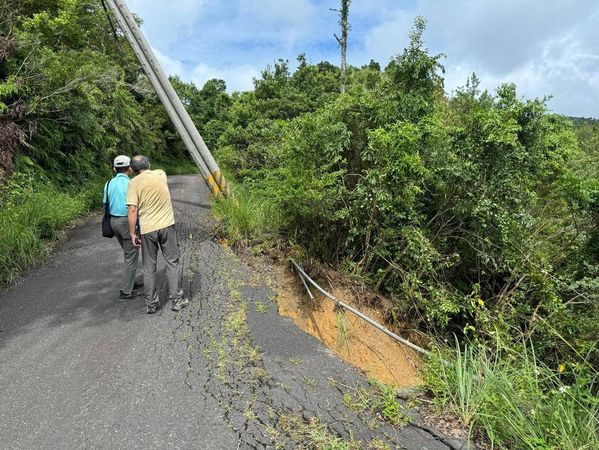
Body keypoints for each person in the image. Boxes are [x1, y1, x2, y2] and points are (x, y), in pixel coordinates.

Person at [126, 155, 188, 314]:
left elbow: (132, 209)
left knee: (149, 267)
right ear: (149, 164)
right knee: (172, 262)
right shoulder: (161, 174)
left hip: (148, 230)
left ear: (132, 170)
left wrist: (133, 233)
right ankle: (177, 300)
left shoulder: (133, 183)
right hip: (167, 225)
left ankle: (152, 304)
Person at [103, 155, 140, 300]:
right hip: (126, 222)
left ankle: (129, 281)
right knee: (131, 255)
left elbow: (105, 204)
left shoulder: (108, 183)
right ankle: (126, 291)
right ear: (130, 169)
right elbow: (134, 207)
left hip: (113, 222)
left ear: (114, 168)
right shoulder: (131, 184)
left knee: (127, 253)